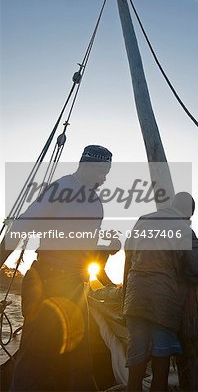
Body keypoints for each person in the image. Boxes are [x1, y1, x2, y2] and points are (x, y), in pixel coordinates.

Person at [0, 145, 120, 391]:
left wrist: (106, 248)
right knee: (34, 359)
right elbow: (22, 227)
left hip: (75, 288)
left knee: (79, 364)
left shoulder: (96, 203)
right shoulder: (61, 188)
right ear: (88, 166)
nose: (105, 178)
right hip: (47, 282)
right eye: (102, 171)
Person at [123, 192, 198, 391]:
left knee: (136, 358)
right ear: (188, 213)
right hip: (163, 301)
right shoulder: (183, 228)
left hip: (135, 297)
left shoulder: (142, 221)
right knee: (160, 361)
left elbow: (128, 253)